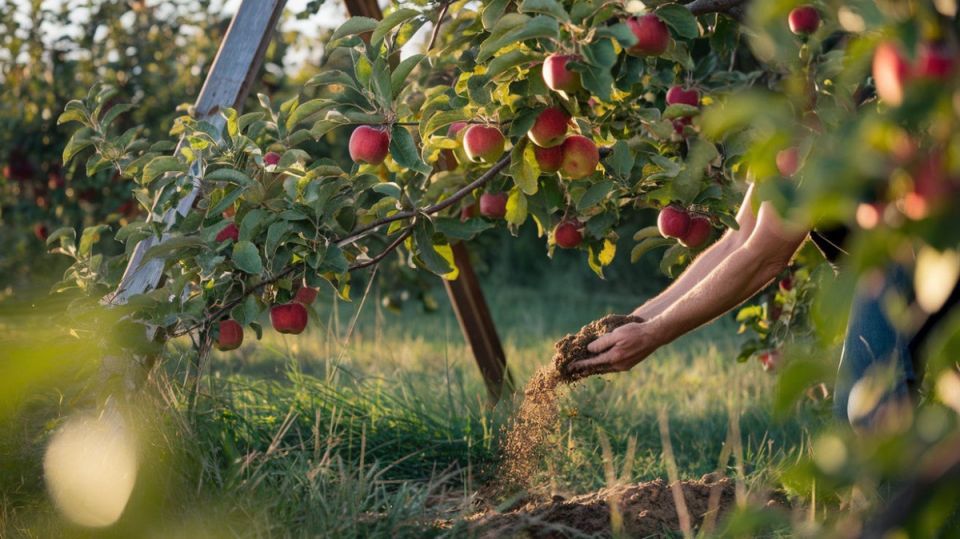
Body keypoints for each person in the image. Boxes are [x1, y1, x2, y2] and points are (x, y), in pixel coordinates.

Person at [564, 183, 955, 427]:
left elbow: (763, 258)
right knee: (865, 411)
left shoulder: (819, 116)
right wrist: (638, 321)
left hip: (923, 255)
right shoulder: (786, 127)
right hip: (882, 264)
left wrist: (654, 334)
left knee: (868, 411)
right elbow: (739, 241)